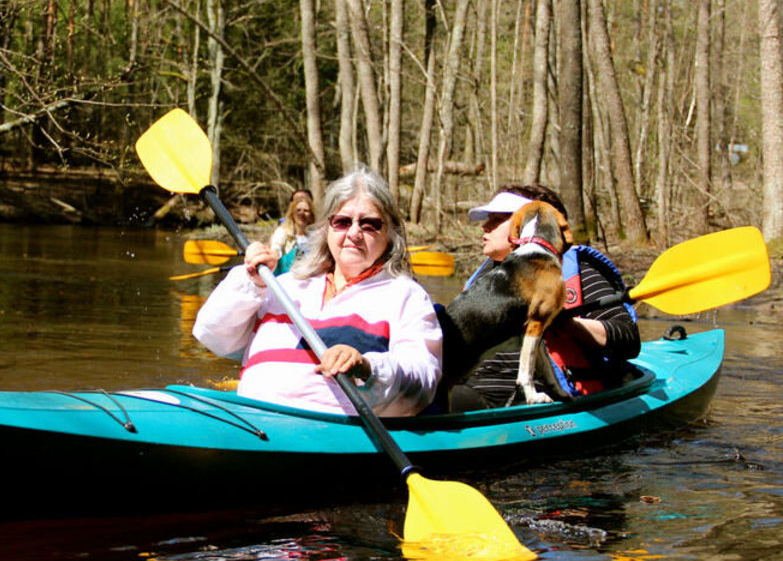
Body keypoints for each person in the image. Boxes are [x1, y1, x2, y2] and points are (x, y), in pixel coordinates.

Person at [193, 168, 442, 417]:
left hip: (330, 430)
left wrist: (367, 367)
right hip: (251, 418)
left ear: (390, 234)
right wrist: (251, 283)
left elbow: (422, 382)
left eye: (369, 225)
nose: (354, 233)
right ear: (327, 229)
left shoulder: (405, 294)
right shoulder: (284, 285)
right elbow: (212, 334)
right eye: (342, 222)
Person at [449, 183, 641, 411]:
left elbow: (628, 341)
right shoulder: (487, 278)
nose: (485, 227)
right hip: (472, 386)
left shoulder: (573, 270)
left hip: (535, 397)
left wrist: (561, 320)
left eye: (498, 219)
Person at [269, 193, 313, 273]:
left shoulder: (316, 235)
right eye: (298, 210)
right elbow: (275, 248)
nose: (302, 214)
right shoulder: (283, 232)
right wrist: (275, 254)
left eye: (306, 211)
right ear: (292, 214)